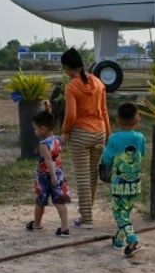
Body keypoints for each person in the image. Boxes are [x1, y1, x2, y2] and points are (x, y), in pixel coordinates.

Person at [60, 48, 110, 229]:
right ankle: (88, 211)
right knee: (92, 174)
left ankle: (86, 218)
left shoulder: (72, 86)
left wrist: (65, 131)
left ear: (67, 67)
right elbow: (104, 111)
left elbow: (71, 114)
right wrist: (108, 134)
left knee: (82, 175)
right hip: (100, 132)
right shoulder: (98, 83)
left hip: (81, 134)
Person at [100, 102, 146, 256]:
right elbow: (142, 154)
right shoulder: (140, 137)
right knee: (125, 213)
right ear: (137, 119)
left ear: (118, 120)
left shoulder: (113, 138)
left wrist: (103, 152)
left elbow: (106, 160)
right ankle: (119, 241)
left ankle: (133, 240)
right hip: (135, 184)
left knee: (119, 214)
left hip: (119, 185)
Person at [26, 109, 71, 237]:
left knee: (41, 200)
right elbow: (65, 136)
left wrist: (51, 176)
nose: (34, 131)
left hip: (46, 176)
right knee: (59, 201)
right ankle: (64, 228)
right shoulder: (57, 139)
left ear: (43, 129)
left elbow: (48, 160)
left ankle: (37, 224)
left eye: (35, 128)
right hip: (59, 174)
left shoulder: (43, 144)